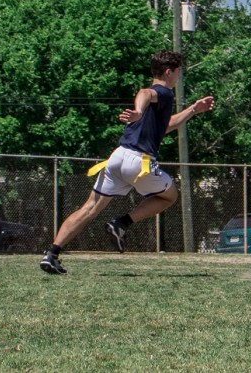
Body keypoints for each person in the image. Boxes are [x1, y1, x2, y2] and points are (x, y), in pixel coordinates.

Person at [40, 50, 214, 274]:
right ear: (169, 72)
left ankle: (52, 254)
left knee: (89, 208)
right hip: (139, 162)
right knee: (170, 196)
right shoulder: (163, 92)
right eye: (178, 72)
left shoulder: (160, 101)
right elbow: (145, 92)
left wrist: (192, 109)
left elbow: (166, 126)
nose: (179, 77)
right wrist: (139, 111)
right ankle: (121, 223)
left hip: (118, 156)